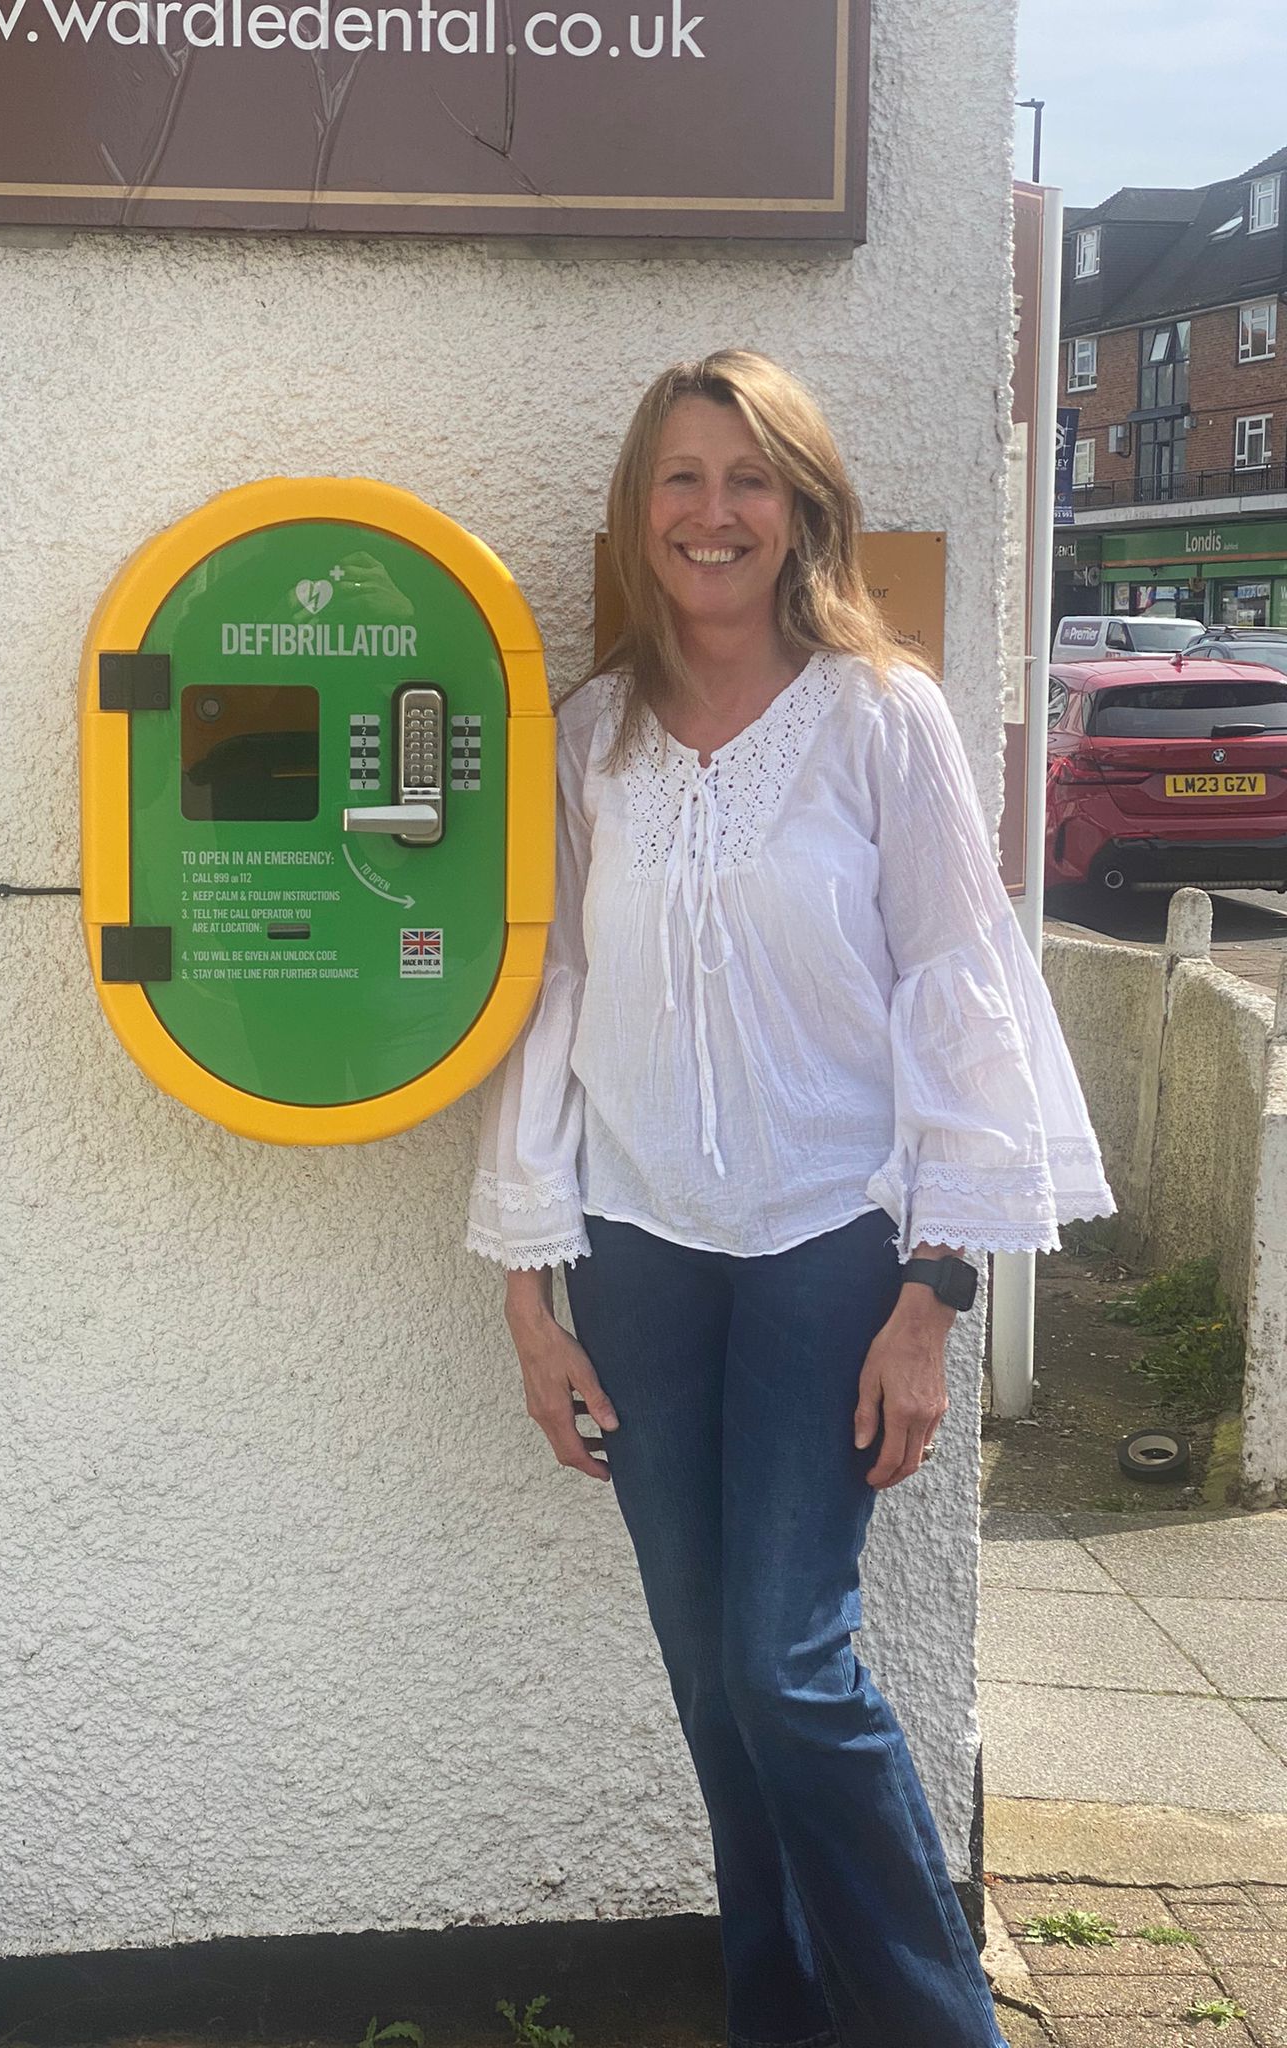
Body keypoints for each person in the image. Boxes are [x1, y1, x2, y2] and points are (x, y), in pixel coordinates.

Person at [465, 350, 1114, 2048]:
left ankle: (931, 2024)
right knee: (710, 1686)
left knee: (784, 1664)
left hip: (838, 1242)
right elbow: (549, 1000)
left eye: (749, 478)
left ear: (801, 507)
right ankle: (782, 2016)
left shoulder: (879, 715)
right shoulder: (589, 737)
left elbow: (959, 995)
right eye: (682, 478)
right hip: (640, 1252)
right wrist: (532, 1296)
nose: (713, 512)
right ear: (640, 511)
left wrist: (935, 1297)